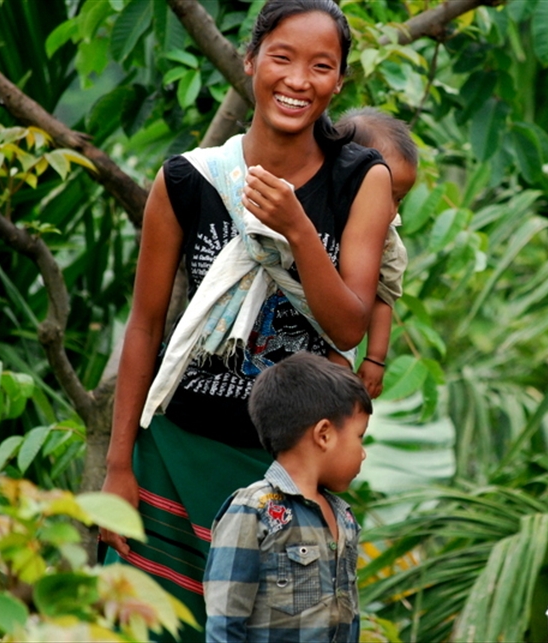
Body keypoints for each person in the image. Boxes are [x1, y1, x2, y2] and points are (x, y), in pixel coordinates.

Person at [98, 0, 391, 638]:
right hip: (175, 455)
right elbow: (145, 328)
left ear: (339, 81)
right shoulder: (188, 180)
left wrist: (298, 231)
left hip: (285, 470)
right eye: (281, 58)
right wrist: (118, 468)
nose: (297, 80)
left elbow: (348, 327)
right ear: (251, 60)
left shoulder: (360, 180)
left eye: (321, 66)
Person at [203, 351, 371, 642]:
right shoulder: (253, 510)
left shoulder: (344, 516)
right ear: (324, 435)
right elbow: (225, 622)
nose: (363, 452)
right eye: (359, 437)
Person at [332, 108, 418, 398]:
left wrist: (375, 358)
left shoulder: (387, 240)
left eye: (400, 198)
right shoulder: (316, 208)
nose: (392, 209)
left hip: (338, 340)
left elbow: (384, 298)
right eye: (385, 191)